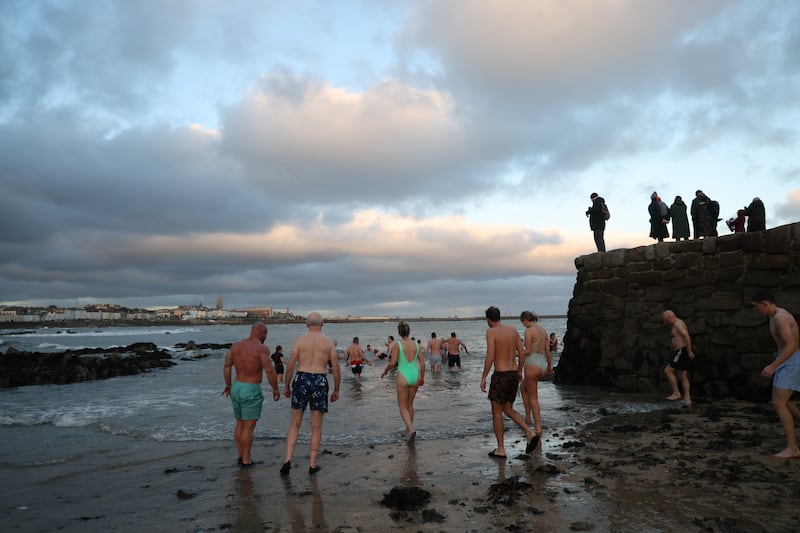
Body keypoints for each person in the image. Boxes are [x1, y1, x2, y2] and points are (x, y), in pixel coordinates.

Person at [281, 312, 341, 475]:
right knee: (316, 427)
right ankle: (312, 464)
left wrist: (286, 386)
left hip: (301, 378)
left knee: (295, 423)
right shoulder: (328, 341)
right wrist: (336, 389)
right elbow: (335, 368)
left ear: (307, 325)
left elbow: (291, 365)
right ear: (322, 324)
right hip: (319, 380)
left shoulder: (300, 340)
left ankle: (287, 460)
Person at [480, 306, 538, 459]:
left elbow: (491, 356)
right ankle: (529, 432)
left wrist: (484, 376)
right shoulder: (512, 330)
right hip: (512, 374)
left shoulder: (491, 332)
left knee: (496, 411)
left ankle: (501, 449)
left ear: (488, 320)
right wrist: (519, 371)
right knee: (508, 408)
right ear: (499, 317)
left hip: (501, 375)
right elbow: (522, 352)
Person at [221, 322, 280, 467]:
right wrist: (275, 388)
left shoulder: (235, 346)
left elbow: (227, 366)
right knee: (248, 426)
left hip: (236, 386)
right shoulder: (261, 348)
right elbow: (269, 370)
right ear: (263, 333)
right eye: (266, 334)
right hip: (251, 388)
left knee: (239, 423)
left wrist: (228, 385)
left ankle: (241, 456)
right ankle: (246, 460)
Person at [751, 290, 800, 459]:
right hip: (785, 361)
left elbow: (792, 345)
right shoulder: (773, 316)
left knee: (780, 402)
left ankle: (793, 448)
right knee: (779, 401)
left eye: (756, 307)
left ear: (765, 304)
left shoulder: (780, 317)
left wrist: (773, 366)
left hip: (792, 362)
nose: (755, 311)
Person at [380, 321, 425, 443]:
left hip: (403, 376)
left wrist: (385, 371)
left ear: (399, 333)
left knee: (402, 407)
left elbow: (393, 362)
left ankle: (410, 429)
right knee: (410, 405)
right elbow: (422, 363)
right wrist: (422, 378)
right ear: (409, 331)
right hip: (415, 375)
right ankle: (408, 431)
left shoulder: (397, 344)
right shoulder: (416, 344)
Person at [519, 311, 552, 443]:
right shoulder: (543, 330)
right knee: (523, 388)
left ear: (526, 320)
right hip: (541, 364)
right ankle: (528, 418)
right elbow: (547, 350)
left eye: (523, 323)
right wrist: (549, 366)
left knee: (534, 398)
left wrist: (516, 354)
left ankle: (538, 427)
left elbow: (527, 351)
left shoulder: (529, 331)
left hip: (531, 364)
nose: (524, 325)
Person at [662, 310, 695, 406]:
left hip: (681, 351)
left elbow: (686, 336)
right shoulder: (679, 322)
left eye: (665, 320)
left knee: (668, 370)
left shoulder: (677, 324)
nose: (665, 322)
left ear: (670, 316)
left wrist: (689, 351)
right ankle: (687, 399)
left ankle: (676, 393)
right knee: (683, 374)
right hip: (681, 351)